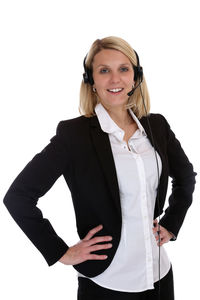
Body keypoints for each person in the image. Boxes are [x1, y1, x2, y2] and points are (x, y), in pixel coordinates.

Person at [3, 36, 196, 300]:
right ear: (91, 80)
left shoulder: (156, 126)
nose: (115, 79)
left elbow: (186, 177)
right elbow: (18, 197)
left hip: (159, 277)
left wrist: (172, 222)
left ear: (136, 76)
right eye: (104, 71)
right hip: (107, 281)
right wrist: (60, 251)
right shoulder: (74, 135)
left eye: (123, 69)